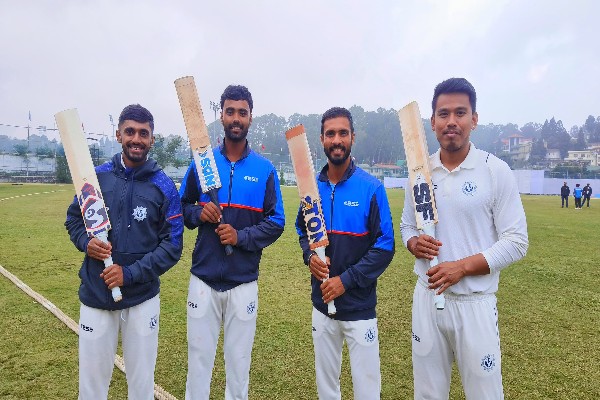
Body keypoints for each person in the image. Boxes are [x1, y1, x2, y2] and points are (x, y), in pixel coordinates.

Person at [400, 78, 529, 400]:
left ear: (474, 118)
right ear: (432, 122)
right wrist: (413, 243)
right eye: (443, 114)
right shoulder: (419, 173)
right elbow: (406, 227)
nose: (451, 121)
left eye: (460, 112)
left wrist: (462, 267)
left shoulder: (494, 171)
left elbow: (516, 241)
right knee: (428, 393)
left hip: (475, 303)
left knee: (485, 393)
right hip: (427, 300)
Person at [65, 104, 184, 399]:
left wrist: (129, 274)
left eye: (144, 133)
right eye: (130, 131)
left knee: (141, 386)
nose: (136, 139)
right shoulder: (96, 178)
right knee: (91, 388)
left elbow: (172, 245)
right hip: (96, 294)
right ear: (118, 135)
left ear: (152, 139)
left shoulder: (164, 186)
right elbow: (74, 220)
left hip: (141, 299)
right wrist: (86, 242)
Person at [180, 84, 285, 400]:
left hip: (243, 282)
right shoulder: (203, 162)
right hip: (204, 279)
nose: (236, 118)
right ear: (221, 116)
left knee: (238, 367)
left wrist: (241, 237)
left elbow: (276, 222)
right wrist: (200, 213)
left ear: (250, 117)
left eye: (242, 112)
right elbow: (182, 210)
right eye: (230, 112)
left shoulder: (264, 170)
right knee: (199, 365)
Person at [295, 107, 395, 400]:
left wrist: (346, 280)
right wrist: (309, 257)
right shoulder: (310, 189)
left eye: (342, 133)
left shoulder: (371, 188)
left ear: (352, 137)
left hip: (359, 308)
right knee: (327, 390)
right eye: (330, 134)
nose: (336, 140)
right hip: (322, 305)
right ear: (322, 140)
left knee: (367, 391)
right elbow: (303, 232)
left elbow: (385, 246)